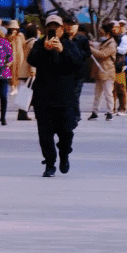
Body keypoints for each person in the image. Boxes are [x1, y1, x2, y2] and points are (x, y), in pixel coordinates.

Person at [28, 14, 80, 176]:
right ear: (45, 29)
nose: (54, 30)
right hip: (43, 97)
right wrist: (45, 48)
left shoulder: (69, 45)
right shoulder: (39, 44)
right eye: (50, 27)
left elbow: (78, 64)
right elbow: (32, 60)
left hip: (65, 97)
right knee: (45, 133)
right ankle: (50, 163)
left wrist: (62, 50)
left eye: (57, 27)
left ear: (62, 28)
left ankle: (64, 154)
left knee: (66, 131)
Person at [62, 15, 90, 131]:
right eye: (68, 25)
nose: (70, 28)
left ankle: (75, 115)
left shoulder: (82, 39)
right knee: (66, 94)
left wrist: (76, 54)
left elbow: (88, 53)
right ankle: (69, 114)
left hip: (78, 72)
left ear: (77, 26)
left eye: (72, 25)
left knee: (75, 94)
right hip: (64, 71)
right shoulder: (61, 38)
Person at [88, 25, 118, 120]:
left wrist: (90, 49)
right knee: (97, 94)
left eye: (102, 33)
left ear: (107, 33)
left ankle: (110, 112)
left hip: (107, 71)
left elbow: (103, 54)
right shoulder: (103, 42)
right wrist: (91, 44)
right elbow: (97, 45)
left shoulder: (112, 44)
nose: (100, 35)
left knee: (108, 93)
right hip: (99, 71)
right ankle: (95, 112)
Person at [112, 22, 127, 115]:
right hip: (111, 64)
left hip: (120, 64)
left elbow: (123, 50)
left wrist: (113, 48)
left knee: (121, 86)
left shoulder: (124, 38)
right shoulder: (112, 37)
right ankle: (113, 108)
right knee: (112, 87)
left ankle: (122, 108)